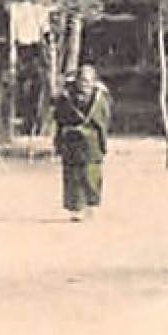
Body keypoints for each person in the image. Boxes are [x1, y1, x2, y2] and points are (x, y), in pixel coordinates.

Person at [52, 65, 110, 221]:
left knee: (91, 174)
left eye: (87, 81)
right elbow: (59, 121)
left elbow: (103, 123)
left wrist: (103, 144)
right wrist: (58, 143)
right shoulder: (65, 98)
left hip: (92, 143)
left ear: (93, 82)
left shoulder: (100, 99)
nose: (84, 84)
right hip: (72, 142)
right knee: (73, 176)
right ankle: (76, 208)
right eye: (81, 80)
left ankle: (91, 206)